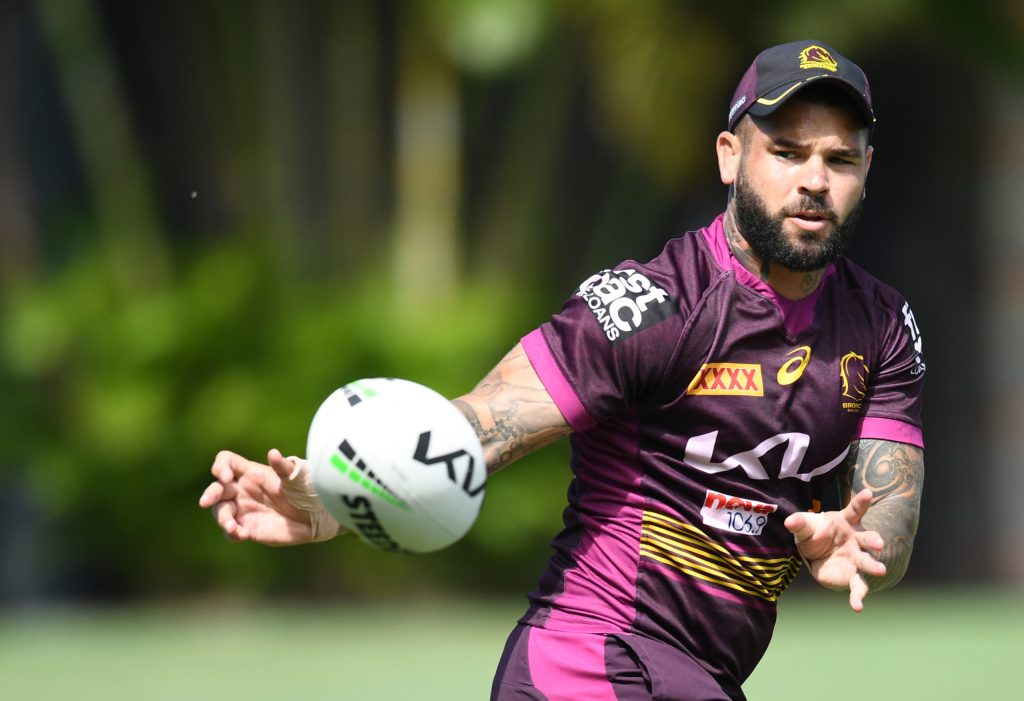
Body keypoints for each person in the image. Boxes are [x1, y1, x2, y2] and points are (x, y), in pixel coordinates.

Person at [199, 39, 925, 701]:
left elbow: (886, 518)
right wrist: (335, 496)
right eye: (788, 152)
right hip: (591, 661)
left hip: (699, 679)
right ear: (731, 156)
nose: (814, 181)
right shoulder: (653, 306)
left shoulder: (883, 327)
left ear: (866, 169)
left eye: (839, 159)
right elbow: (482, 424)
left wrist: (862, 545)